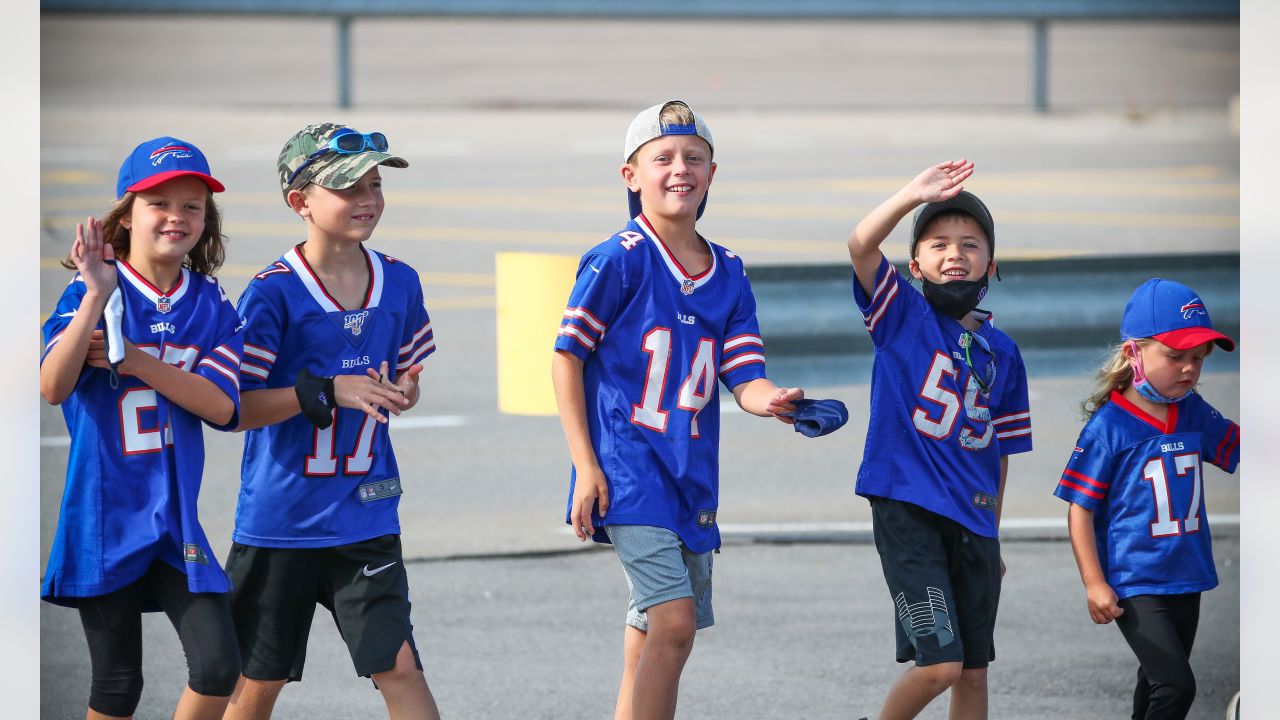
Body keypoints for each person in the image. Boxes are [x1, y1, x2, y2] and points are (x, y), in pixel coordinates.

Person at [552, 100, 806, 720]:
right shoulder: (618, 258)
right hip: (628, 469)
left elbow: (742, 374)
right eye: (661, 157)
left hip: (690, 474)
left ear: (713, 174)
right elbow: (566, 358)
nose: (679, 169)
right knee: (675, 622)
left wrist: (771, 399)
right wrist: (586, 466)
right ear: (630, 175)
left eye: (693, 157)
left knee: (648, 628)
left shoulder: (730, 273)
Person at [222, 123, 440, 720]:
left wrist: (404, 390)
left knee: (398, 665)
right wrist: (325, 391)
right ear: (301, 202)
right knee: (255, 682)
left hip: (365, 512)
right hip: (281, 523)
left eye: (374, 183)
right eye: (348, 186)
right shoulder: (272, 294)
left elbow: (410, 377)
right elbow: (236, 408)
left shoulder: (399, 280)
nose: (368, 198)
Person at [40, 137, 243, 720]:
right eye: (160, 203)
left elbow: (223, 408)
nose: (176, 216)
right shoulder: (88, 292)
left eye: (192, 206)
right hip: (104, 516)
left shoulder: (212, 304)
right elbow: (53, 386)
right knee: (117, 684)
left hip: (175, 517)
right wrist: (96, 298)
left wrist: (134, 360)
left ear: (207, 221)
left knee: (217, 666)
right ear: (128, 215)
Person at [845, 160, 1033, 720]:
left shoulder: (1004, 351)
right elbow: (859, 245)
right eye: (939, 244)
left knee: (973, 673)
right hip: (910, 510)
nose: (955, 253)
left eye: (970, 244)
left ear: (990, 265)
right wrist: (910, 195)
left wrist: (993, 533)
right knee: (940, 665)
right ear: (915, 265)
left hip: (975, 521)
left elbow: (999, 451)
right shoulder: (900, 314)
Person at [1055, 278, 1239, 720]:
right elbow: (1080, 509)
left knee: (1154, 685)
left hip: (1187, 574)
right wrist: (1094, 582)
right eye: (1175, 356)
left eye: (1198, 358)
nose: (1189, 369)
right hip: (1135, 580)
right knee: (1177, 686)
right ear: (1133, 353)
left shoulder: (1194, 411)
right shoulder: (1109, 427)